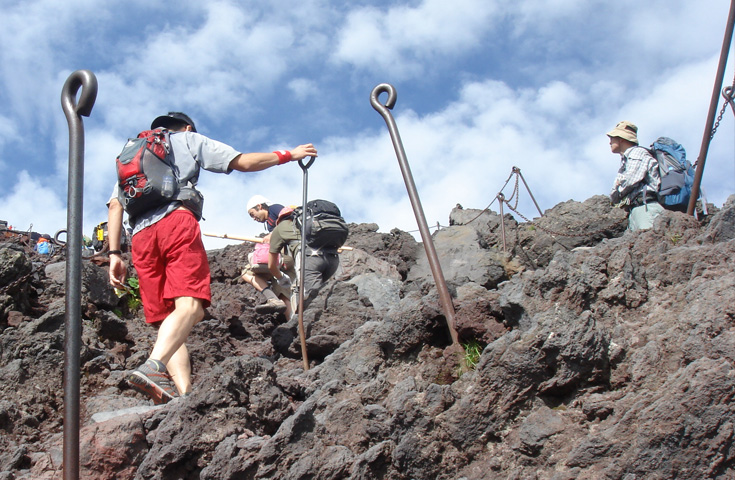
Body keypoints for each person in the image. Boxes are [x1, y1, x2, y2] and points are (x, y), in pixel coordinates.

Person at [107, 112, 317, 404]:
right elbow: (241, 162)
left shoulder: (133, 156)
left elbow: (115, 206)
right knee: (190, 307)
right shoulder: (187, 139)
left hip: (139, 238)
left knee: (168, 320)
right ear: (188, 127)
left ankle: (181, 395)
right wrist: (288, 155)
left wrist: (115, 254)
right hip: (175, 222)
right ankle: (153, 367)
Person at [267, 206, 340, 319]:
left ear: (280, 218)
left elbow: (271, 264)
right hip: (332, 257)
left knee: (308, 297)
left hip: (308, 258)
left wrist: (280, 277)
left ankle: (304, 327)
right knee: (325, 292)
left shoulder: (280, 228)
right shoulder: (311, 224)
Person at [241, 195, 293, 316]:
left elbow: (290, 221)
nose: (253, 218)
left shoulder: (274, 208)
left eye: (252, 214)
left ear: (259, 206)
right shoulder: (269, 222)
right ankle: (276, 302)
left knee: (247, 273)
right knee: (282, 292)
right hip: (282, 258)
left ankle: (274, 300)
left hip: (287, 254)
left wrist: (273, 234)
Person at [608, 120, 664, 231]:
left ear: (621, 139)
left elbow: (630, 180)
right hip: (637, 209)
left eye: (612, 138)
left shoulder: (636, 153)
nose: (610, 143)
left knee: (650, 241)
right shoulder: (626, 159)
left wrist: (618, 189)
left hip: (645, 208)